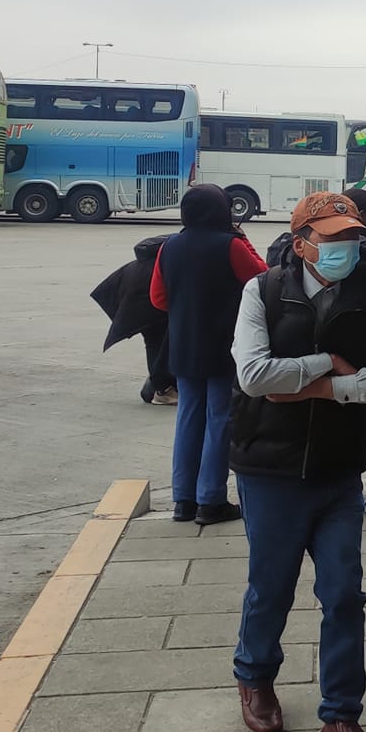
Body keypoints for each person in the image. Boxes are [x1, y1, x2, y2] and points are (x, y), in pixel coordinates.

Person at [230, 191, 366, 732]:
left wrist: (322, 388)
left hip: (338, 471)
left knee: (344, 595)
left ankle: (342, 716)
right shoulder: (261, 291)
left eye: (350, 238)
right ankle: (255, 677)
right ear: (301, 241)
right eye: (330, 238)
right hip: (270, 469)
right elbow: (255, 375)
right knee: (272, 587)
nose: (343, 248)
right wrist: (328, 364)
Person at [150, 185, 266, 524]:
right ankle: (211, 500)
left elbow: (158, 298)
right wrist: (242, 238)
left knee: (188, 417)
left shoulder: (169, 246)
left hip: (184, 345)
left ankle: (183, 500)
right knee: (219, 419)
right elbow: (262, 278)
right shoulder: (229, 245)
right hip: (223, 345)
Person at [89, 233, 176, 405]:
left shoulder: (157, 256)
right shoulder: (170, 261)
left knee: (156, 341)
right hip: (144, 301)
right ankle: (162, 390)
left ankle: (160, 387)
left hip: (136, 296)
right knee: (159, 341)